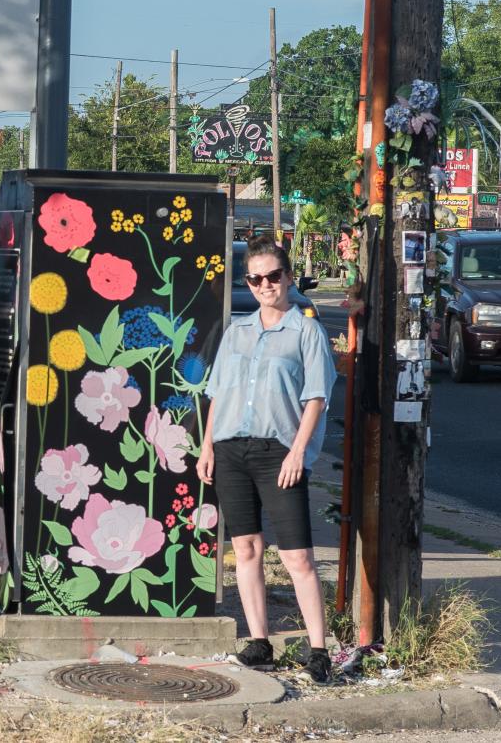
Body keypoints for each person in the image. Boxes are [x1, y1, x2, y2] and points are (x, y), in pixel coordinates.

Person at [197, 235, 337, 681]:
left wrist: (299, 451)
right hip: (231, 449)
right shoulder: (237, 330)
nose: (265, 285)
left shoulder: (307, 331)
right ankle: (260, 643)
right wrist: (206, 446)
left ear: (289, 277)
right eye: (255, 279)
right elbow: (217, 392)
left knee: (297, 556)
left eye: (273, 277)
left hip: (280, 452)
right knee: (246, 548)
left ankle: (318, 648)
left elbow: (316, 397)